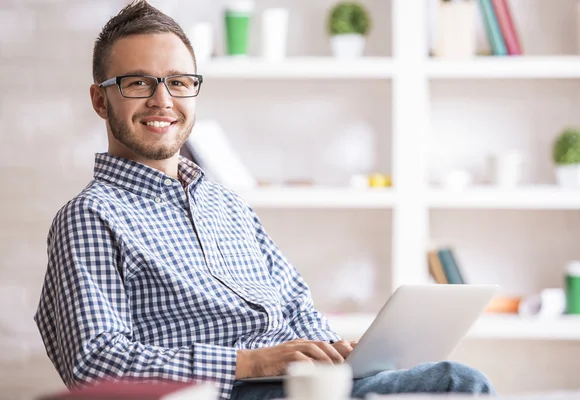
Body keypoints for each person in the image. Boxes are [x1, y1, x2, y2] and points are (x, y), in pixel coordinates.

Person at [34, 1, 496, 399]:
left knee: (434, 379)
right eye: (138, 83)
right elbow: (94, 363)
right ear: (100, 100)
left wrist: (336, 353)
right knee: (456, 383)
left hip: (301, 386)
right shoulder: (91, 216)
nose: (162, 100)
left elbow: (296, 307)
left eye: (178, 82)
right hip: (232, 392)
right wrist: (249, 363)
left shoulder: (226, 205)